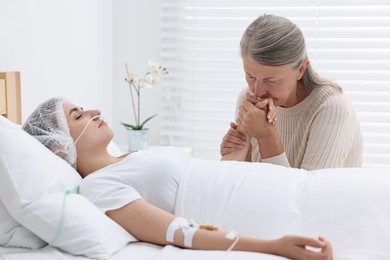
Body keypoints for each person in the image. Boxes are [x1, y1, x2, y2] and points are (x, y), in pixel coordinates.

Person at [22, 97, 333, 260]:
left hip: (265, 185)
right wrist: (273, 247)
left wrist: (231, 161)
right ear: (59, 147)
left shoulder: (131, 157)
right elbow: (179, 232)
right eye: (78, 116)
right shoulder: (97, 186)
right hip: (253, 208)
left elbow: (187, 185)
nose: (94, 111)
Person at [220, 14, 363, 170]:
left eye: (271, 80)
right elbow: (241, 185)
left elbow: (308, 193)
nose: (257, 91)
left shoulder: (331, 108)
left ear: (301, 69)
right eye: (250, 76)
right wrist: (240, 151)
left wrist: (266, 136)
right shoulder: (248, 99)